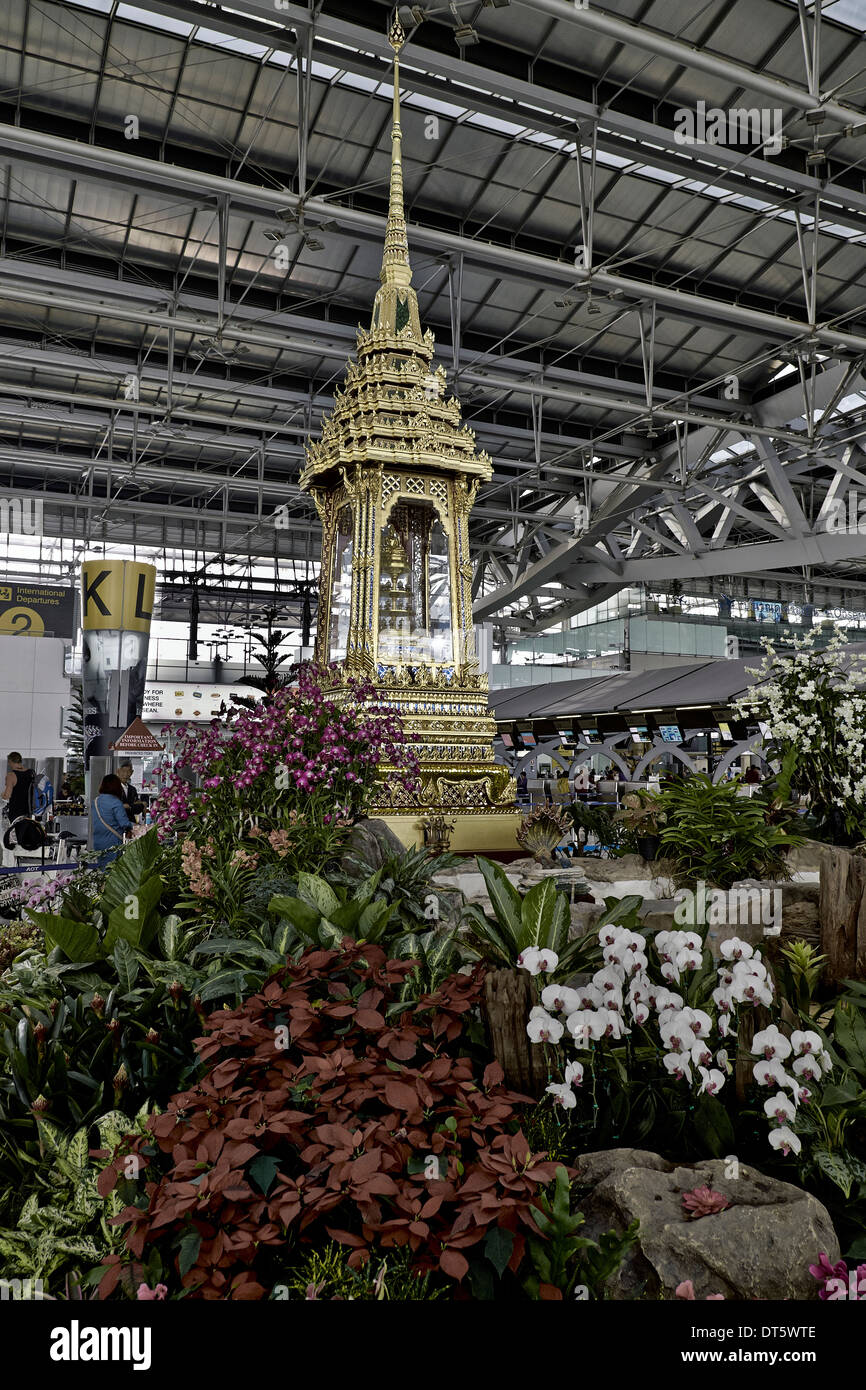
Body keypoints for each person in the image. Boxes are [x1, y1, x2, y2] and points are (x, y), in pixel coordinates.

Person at [91, 774, 132, 864]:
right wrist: (135, 826)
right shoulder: (116, 802)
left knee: (102, 868)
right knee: (112, 871)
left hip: (98, 842)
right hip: (113, 842)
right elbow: (124, 823)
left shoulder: (95, 801)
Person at [3, 753, 35, 822]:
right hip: (29, 812)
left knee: (17, 832)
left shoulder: (11, 775)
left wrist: (2, 795)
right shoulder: (31, 773)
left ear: (10, 762)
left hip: (16, 813)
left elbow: (7, 795)